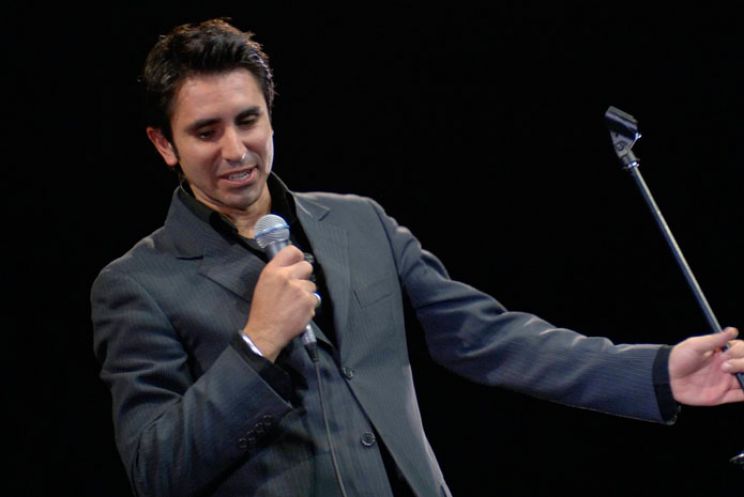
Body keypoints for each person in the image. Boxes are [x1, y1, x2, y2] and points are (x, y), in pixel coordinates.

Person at [90, 18, 744, 497]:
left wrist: (657, 373)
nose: (235, 149)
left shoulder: (357, 223)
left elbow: (489, 337)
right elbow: (156, 469)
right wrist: (256, 344)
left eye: (247, 120)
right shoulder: (138, 284)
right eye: (206, 132)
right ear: (164, 144)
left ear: (270, 115)